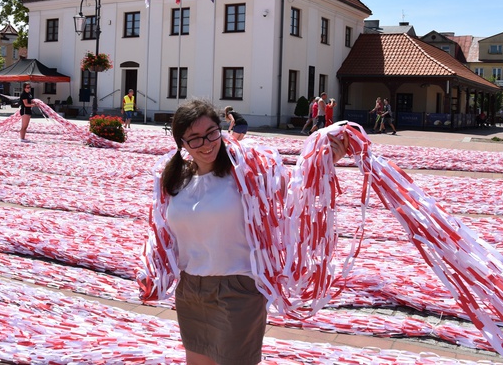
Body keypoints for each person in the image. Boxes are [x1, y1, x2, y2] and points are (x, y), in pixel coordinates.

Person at [139, 99, 349, 365]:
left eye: (212, 133)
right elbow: (161, 232)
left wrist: (326, 159)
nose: (206, 144)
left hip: (237, 289)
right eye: (195, 138)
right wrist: (150, 268)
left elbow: (297, 188)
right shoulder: (175, 181)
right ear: (181, 143)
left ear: (222, 130)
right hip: (190, 289)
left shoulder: (248, 176)